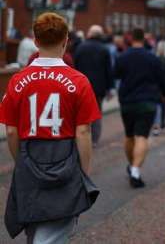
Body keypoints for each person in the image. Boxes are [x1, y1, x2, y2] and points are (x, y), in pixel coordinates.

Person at [1, 13, 101, 242]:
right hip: (65, 159)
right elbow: (84, 132)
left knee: (34, 228)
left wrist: (21, 161)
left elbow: (11, 131)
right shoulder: (79, 81)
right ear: (66, 40)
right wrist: (84, 173)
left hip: (29, 154)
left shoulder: (17, 80)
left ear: (35, 41)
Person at [114, 28, 165, 188]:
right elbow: (162, 79)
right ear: (144, 39)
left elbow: (116, 75)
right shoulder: (152, 58)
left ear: (130, 39)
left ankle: (132, 166)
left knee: (129, 136)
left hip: (127, 101)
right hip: (147, 101)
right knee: (142, 137)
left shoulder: (122, 57)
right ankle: (136, 171)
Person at [74, 25, 114, 146]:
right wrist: (109, 88)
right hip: (98, 88)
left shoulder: (80, 48)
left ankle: (81, 135)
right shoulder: (104, 49)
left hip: (82, 86)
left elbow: (75, 67)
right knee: (96, 113)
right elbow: (108, 70)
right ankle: (94, 139)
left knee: (81, 112)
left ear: (90, 34)